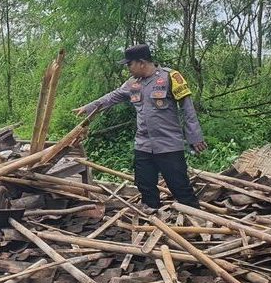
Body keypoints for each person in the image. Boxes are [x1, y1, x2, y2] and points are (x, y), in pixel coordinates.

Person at [73, 44, 206, 210]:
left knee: (180, 186)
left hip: (168, 145)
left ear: (141, 62)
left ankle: (194, 218)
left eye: (130, 64)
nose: (128, 68)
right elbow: (112, 97)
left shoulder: (170, 77)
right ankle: (153, 218)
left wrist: (195, 137)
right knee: (145, 186)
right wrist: (89, 107)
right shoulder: (132, 84)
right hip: (143, 145)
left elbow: (188, 109)